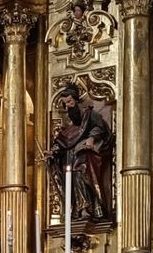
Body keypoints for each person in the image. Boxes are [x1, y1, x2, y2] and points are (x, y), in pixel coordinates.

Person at [47, 82, 115, 224]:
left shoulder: (89, 114)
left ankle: (90, 208)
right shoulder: (71, 126)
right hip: (70, 161)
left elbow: (100, 127)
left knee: (81, 174)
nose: (69, 106)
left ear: (76, 100)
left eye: (70, 102)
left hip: (85, 159)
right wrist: (52, 152)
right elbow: (62, 141)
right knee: (72, 179)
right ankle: (78, 209)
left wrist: (91, 138)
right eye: (66, 104)